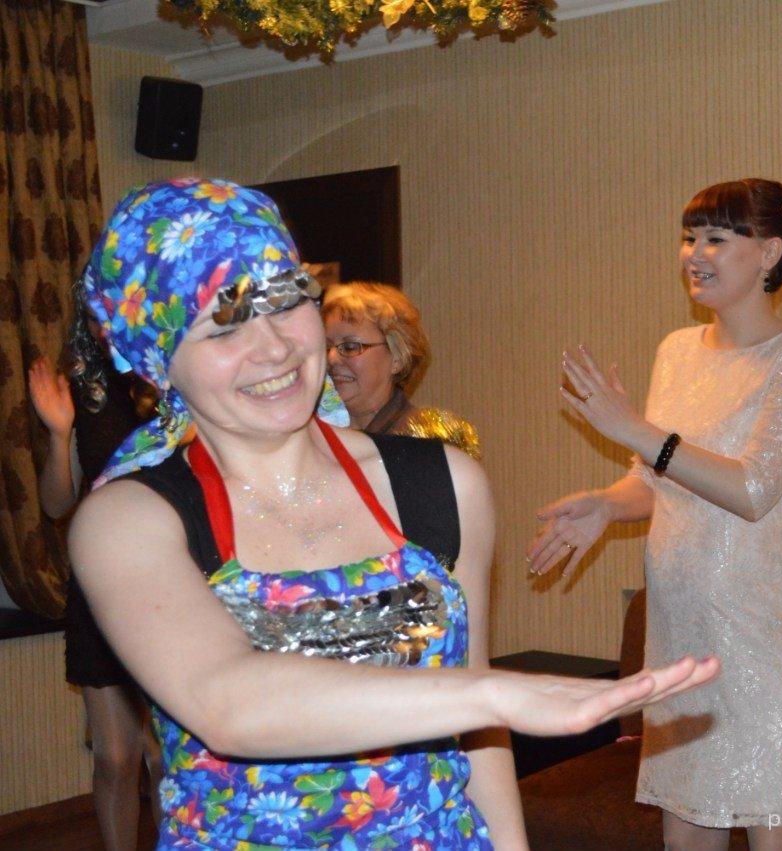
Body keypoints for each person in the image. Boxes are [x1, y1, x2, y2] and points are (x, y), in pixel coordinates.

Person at [68, 177, 718, 850]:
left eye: (284, 298)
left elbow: (479, 741)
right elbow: (229, 700)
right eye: (223, 324)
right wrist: (494, 695)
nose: (276, 347)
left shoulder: (441, 484)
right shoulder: (129, 520)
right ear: (157, 359)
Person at [528, 178, 782, 851]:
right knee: (685, 836)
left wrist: (636, 430)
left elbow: (752, 490)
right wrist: (608, 504)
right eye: (689, 237)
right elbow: (659, 481)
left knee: (778, 834)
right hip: (682, 638)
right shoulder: (676, 350)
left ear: (768, 253)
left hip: (768, 641)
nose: (694, 253)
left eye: (716, 239)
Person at [28, 344, 162, 850]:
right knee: (116, 757)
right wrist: (60, 434)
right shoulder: (84, 385)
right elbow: (56, 503)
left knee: (169, 757)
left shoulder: (183, 373)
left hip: (174, 579)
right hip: (103, 584)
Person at [323, 281, 481, 457]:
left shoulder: (429, 442)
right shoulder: (312, 438)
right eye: (326, 347)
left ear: (397, 357)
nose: (331, 359)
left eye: (350, 347)